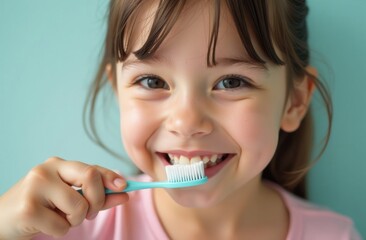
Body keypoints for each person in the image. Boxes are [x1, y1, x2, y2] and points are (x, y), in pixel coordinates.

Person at [0, 0, 362, 239]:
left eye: (232, 82)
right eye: (152, 81)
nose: (187, 121)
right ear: (118, 91)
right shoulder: (67, 228)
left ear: (294, 102)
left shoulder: (335, 235)